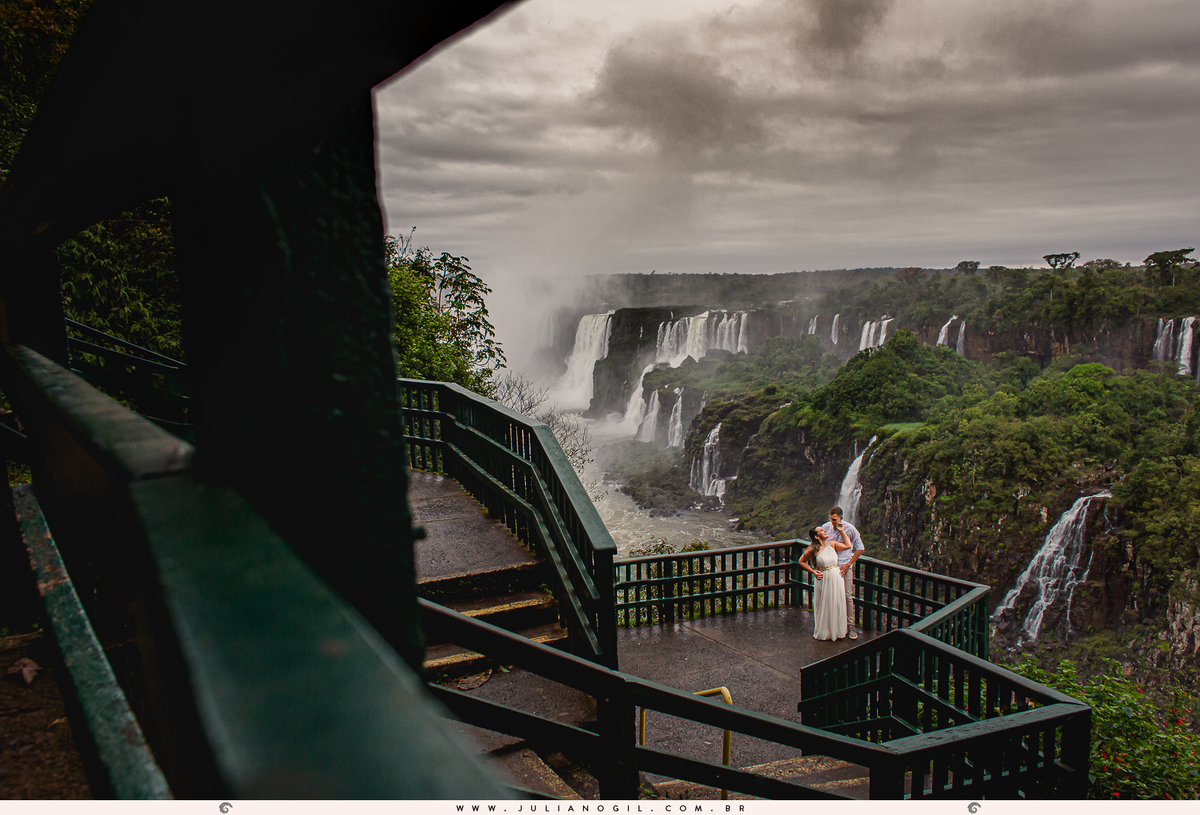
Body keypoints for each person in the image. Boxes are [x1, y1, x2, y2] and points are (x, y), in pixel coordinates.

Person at [798, 526, 850, 641]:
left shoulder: (832, 544)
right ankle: (825, 631)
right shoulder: (813, 549)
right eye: (821, 531)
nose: (825, 531)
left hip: (836, 576)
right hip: (824, 578)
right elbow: (801, 561)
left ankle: (836, 631)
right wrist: (813, 572)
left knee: (837, 602)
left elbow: (848, 545)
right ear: (816, 536)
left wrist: (841, 531)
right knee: (825, 604)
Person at [821, 507, 864, 639]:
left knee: (847, 596)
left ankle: (850, 625)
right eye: (830, 519)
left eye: (834, 519)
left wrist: (848, 564)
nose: (832, 522)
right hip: (829, 568)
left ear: (841, 518)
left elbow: (860, 548)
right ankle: (833, 625)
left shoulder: (850, 529)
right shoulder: (825, 527)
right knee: (830, 596)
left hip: (844, 568)